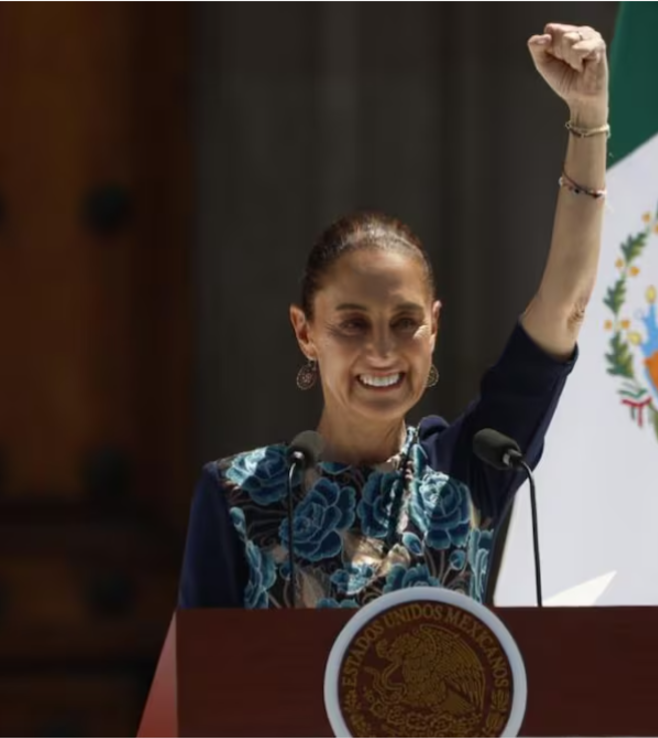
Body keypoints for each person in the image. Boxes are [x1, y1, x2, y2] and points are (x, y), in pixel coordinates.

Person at [179, 22, 609, 610]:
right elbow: (201, 692)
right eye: (352, 324)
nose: (382, 350)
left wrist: (588, 118)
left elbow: (567, 305)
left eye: (405, 322)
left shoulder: (470, 469)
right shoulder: (234, 495)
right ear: (305, 332)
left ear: (434, 326)